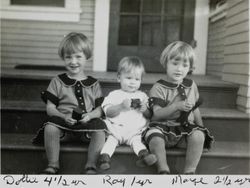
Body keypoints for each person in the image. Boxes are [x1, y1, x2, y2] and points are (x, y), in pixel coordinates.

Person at [32, 32, 106, 174]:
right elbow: (50, 108)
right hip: (63, 127)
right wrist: (63, 117)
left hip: (87, 129)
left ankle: (90, 165)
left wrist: (90, 116)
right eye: (68, 57)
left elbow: (100, 110)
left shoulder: (94, 84)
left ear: (86, 57)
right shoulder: (57, 81)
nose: (73, 61)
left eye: (78, 56)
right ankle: (53, 165)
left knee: (101, 130)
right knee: (50, 127)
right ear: (63, 58)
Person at [145, 41, 214, 174]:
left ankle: (189, 171)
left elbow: (195, 109)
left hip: (185, 131)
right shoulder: (159, 87)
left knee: (198, 136)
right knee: (155, 139)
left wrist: (201, 128)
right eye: (175, 63)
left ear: (190, 68)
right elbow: (157, 114)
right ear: (166, 63)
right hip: (163, 129)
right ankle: (163, 169)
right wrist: (176, 106)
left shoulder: (191, 85)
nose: (179, 69)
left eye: (184, 65)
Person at [98, 56, 157, 170]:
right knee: (111, 141)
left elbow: (150, 115)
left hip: (134, 131)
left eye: (136, 79)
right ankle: (104, 159)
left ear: (141, 80)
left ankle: (144, 156)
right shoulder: (114, 94)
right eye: (129, 78)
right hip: (116, 130)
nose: (132, 82)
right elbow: (108, 112)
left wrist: (144, 109)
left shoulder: (142, 96)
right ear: (119, 78)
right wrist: (120, 106)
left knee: (137, 142)